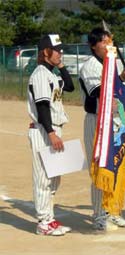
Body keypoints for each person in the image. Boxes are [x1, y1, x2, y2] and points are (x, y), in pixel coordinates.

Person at [78, 27, 125, 231]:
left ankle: (113, 210)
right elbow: (98, 93)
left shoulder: (111, 64)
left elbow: (116, 92)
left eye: (109, 40)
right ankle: (99, 214)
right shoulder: (90, 66)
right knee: (99, 166)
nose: (108, 44)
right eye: (103, 41)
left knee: (115, 163)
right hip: (96, 121)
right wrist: (118, 78)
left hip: (114, 120)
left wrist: (121, 79)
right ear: (94, 46)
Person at [27, 34, 75, 236]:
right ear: (46, 52)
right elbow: (42, 107)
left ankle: (50, 218)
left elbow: (70, 87)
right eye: (57, 50)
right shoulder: (39, 75)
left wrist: (61, 66)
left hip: (53, 129)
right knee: (44, 178)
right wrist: (51, 133)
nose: (60, 52)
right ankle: (43, 223)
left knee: (54, 178)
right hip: (43, 130)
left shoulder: (52, 74)